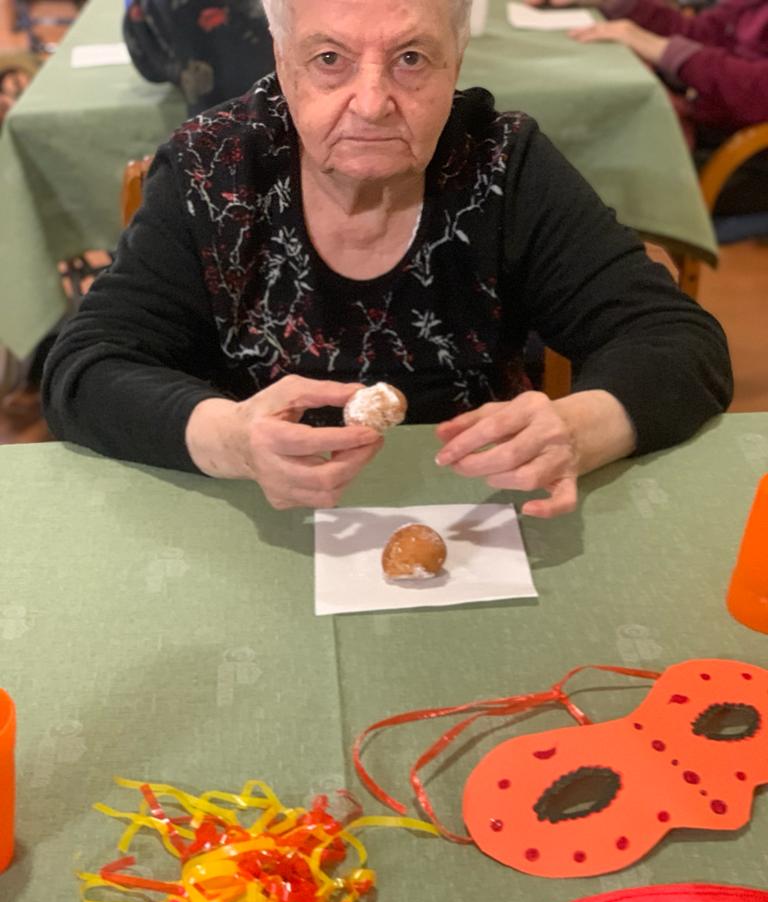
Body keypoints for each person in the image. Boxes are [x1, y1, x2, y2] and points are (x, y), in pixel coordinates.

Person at [43, 0, 732, 517]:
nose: (372, 104)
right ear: (282, 62)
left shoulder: (502, 165)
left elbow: (676, 340)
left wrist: (578, 429)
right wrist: (231, 438)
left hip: (475, 517)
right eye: (329, 59)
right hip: (258, 516)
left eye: (411, 59)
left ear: (456, 61)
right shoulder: (212, 168)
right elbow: (86, 368)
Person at [537, 0, 768, 140]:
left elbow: (759, 93)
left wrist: (662, 49)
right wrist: (619, 5)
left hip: (740, 150)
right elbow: (702, 32)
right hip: (708, 113)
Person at [123, 0, 275, 115]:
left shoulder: (144, 6)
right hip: (275, 109)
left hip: (212, 123)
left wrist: (179, 73)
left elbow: (148, 67)